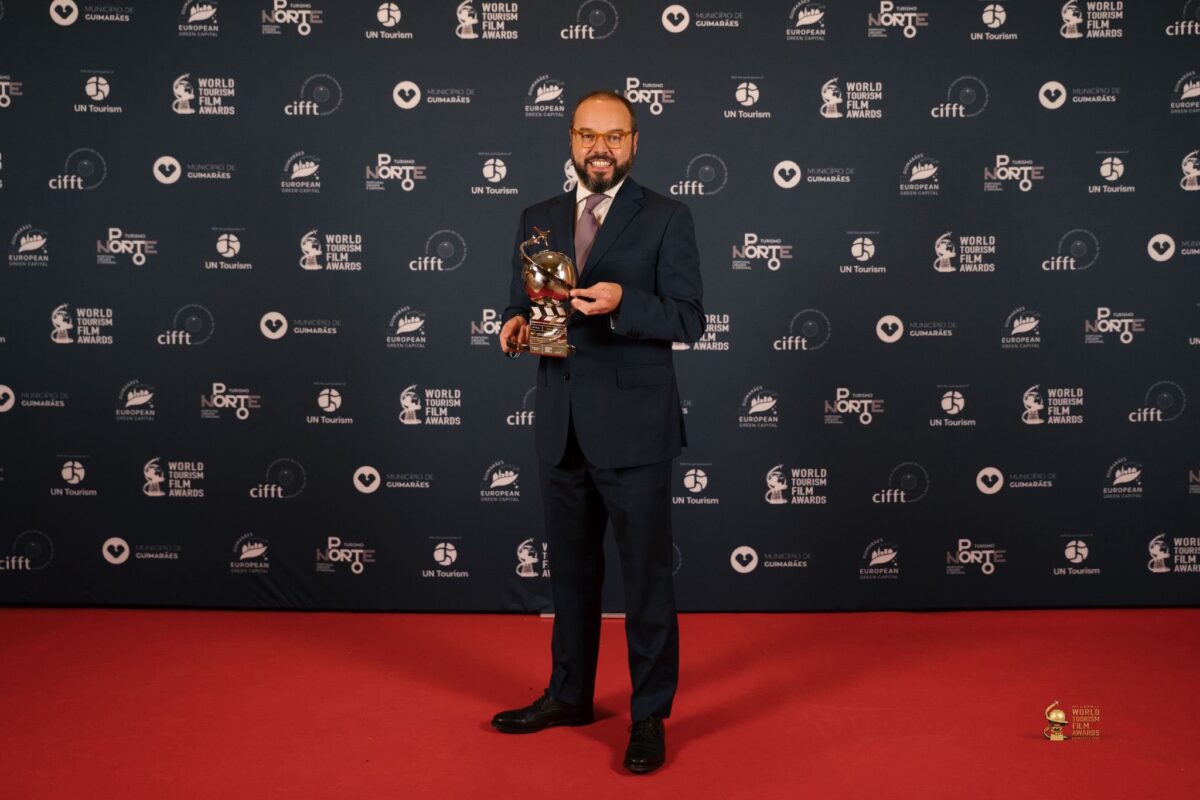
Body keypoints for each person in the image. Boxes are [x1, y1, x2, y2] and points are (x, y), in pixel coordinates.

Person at [493, 90, 704, 774]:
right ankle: (568, 695)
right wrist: (513, 324)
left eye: (614, 136)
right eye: (588, 135)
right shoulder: (539, 217)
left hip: (635, 432)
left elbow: (689, 317)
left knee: (646, 582)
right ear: (571, 140)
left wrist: (622, 303)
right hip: (561, 426)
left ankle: (649, 715)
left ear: (634, 142)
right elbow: (526, 304)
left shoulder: (667, 217)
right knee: (571, 577)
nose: (600, 148)